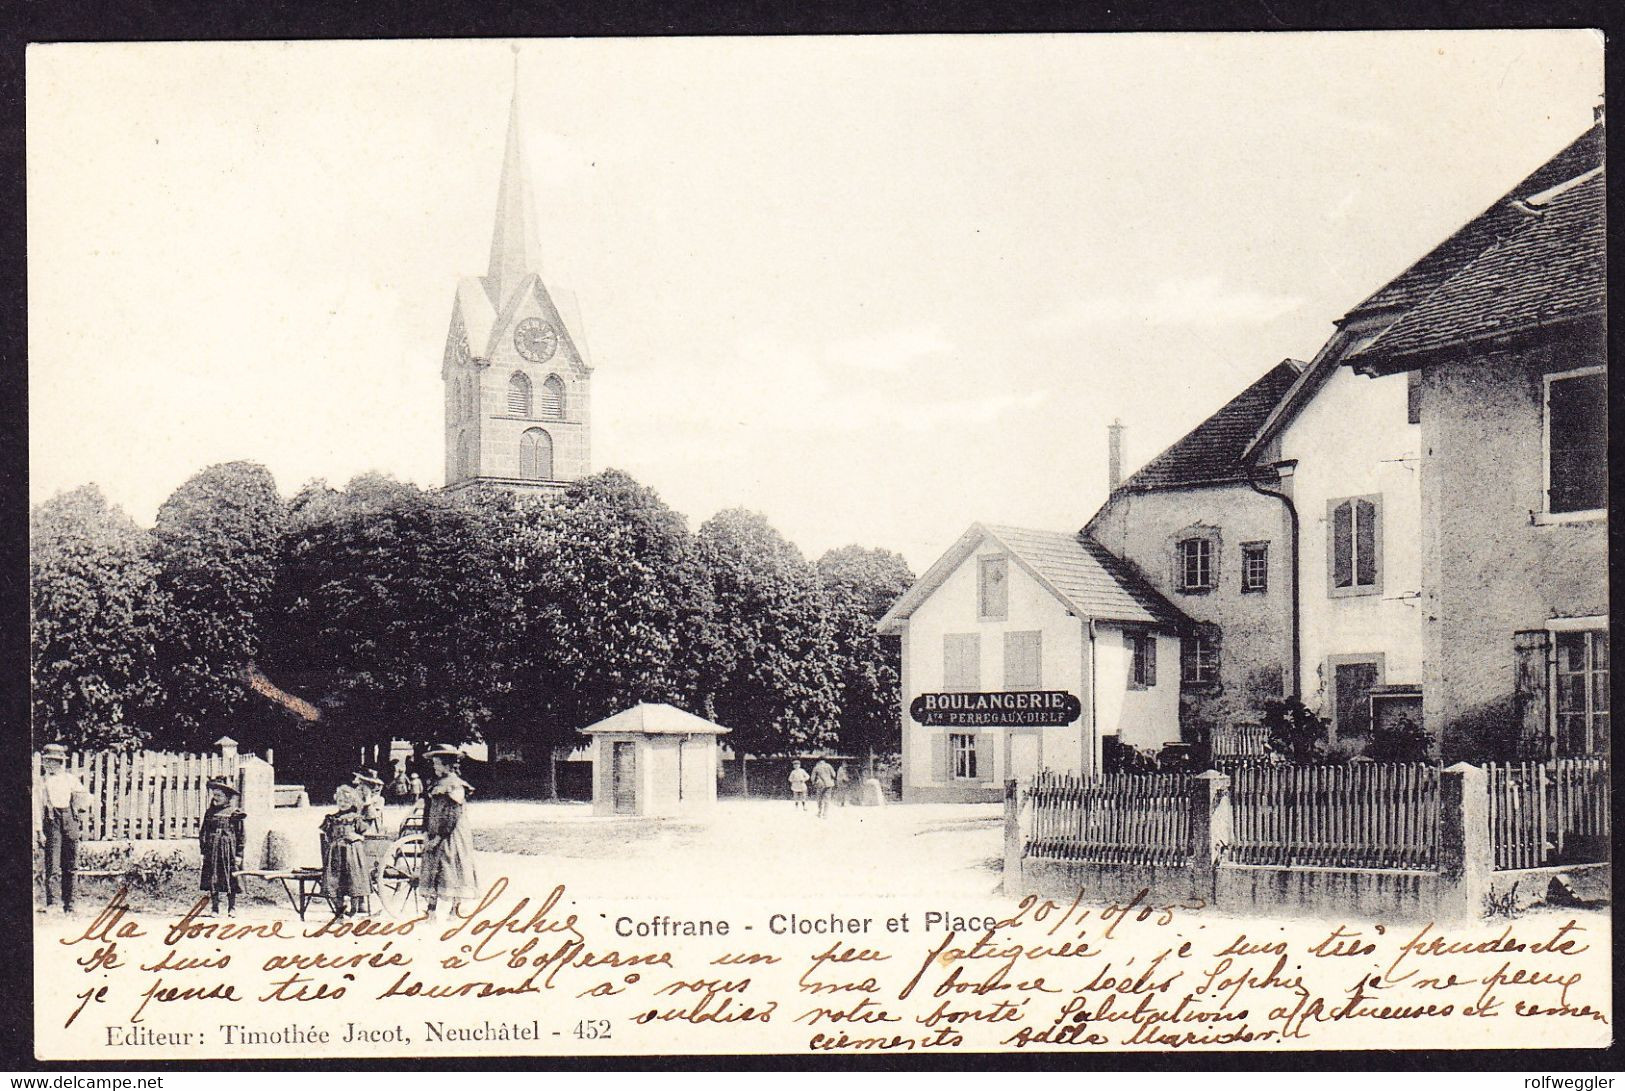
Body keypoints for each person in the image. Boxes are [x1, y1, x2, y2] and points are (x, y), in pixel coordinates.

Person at [418, 744, 478, 920]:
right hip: (435, 829)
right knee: (432, 867)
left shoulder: (455, 785)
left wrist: (440, 835)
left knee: (451, 866)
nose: (434, 767)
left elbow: (453, 813)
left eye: (437, 764)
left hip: (452, 833)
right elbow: (430, 809)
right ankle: (431, 911)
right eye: (434, 763)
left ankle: (455, 909)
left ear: (447, 765)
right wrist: (427, 830)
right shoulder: (436, 783)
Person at [36, 743, 89, 913]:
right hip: (52, 821)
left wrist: (80, 807)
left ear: (62, 762)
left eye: (57, 761)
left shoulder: (70, 779)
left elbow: (85, 798)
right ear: (45, 762)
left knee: (71, 863)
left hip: (70, 820)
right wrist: (39, 831)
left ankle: (70, 903)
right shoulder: (42, 782)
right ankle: (53, 903)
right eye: (50, 761)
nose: (53, 764)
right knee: (52, 864)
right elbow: (36, 807)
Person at [321, 784, 371, 918]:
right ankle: (339, 911)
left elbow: (365, 834)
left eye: (346, 801)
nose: (342, 804)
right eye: (340, 801)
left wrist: (357, 837)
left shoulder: (355, 818)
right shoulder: (331, 818)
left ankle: (354, 908)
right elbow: (326, 835)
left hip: (352, 853)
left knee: (353, 879)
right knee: (336, 880)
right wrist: (331, 841)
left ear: (352, 802)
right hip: (336, 854)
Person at [199, 776, 245, 917]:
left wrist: (239, 854)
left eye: (219, 795)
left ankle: (232, 907)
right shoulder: (210, 813)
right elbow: (203, 832)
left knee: (231, 876)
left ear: (227, 797)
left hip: (229, 850)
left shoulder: (234, 812)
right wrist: (203, 849)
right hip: (213, 850)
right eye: (214, 795)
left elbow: (241, 834)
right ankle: (215, 908)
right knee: (214, 876)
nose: (216, 798)